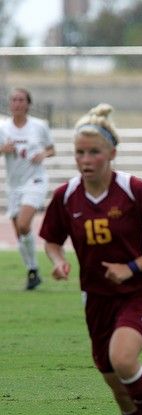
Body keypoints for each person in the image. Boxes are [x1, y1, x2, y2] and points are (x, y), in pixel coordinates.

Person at [39, 104, 142, 415]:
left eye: (94, 152)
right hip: (97, 301)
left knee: (122, 359)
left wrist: (132, 267)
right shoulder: (66, 195)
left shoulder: (131, 190)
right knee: (120, 393)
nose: (85, 159)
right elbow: (51, 240)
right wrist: (58, 262)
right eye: (79, 152)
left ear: (111, 154)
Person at [0, 88, 55, 290]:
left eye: (21, 100)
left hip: (35, 181)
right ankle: (33, 271)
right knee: (20, 232)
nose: (17, 103)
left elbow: (51, 149)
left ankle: (33, 269)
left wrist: (43, 154)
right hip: (14, 185)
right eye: (14, 100)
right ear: (10, 104)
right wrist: (2, 150)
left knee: (24, 225)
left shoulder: (39, 126)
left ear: (28, 104)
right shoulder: (3, 127)